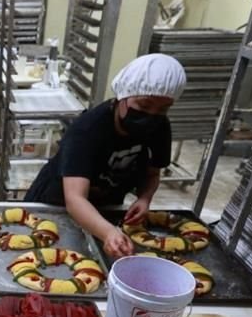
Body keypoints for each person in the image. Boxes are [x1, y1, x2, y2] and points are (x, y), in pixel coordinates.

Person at [24, 54, 187, 258]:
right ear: (123, 95)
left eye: (163, 109)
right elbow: (75, 198)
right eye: (144, 106)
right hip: (55, 204)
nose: (152, 115)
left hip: (106, 208)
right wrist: (108, 232)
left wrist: (144, 198)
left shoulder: (159, 126)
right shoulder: (87, 130)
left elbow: (153, 173)